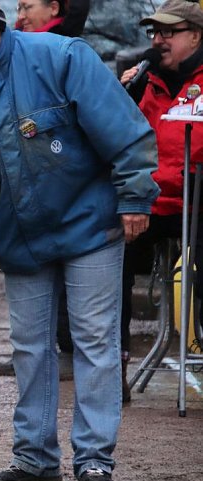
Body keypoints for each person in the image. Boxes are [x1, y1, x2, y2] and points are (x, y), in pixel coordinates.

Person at [0, 0, 158, 481]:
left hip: (90, 222)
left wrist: (135, 196)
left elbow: (122, 129)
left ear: (0, 25)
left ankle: (95, 461)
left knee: (94, 340)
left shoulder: (62, 57)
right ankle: (34, 458)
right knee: (29, 347)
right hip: (22, 238)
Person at [0, 0, 91, 380]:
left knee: (71, 280)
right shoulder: (12, 55)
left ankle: (68, 351)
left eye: (27, 6)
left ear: (54, 8)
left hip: (66, 191)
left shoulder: (66, 53)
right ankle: (39, 349)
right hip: (23, 192)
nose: (19, 17)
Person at [119, 0, 203, 404]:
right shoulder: (143, 80)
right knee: (105, 259)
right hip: (148, 203)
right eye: (154, 32)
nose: (158, 40)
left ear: (196, 36)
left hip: (198, 201)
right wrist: (122, 94)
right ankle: (112, 365)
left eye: (169, 32)